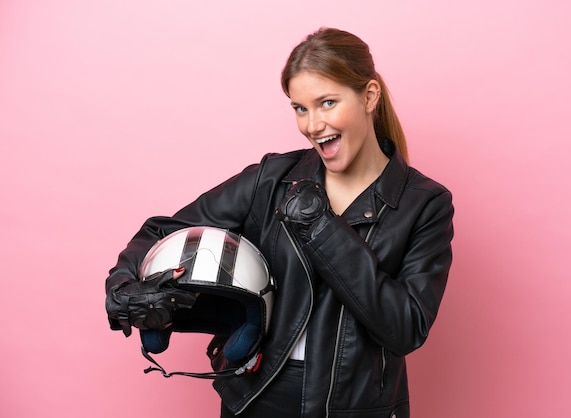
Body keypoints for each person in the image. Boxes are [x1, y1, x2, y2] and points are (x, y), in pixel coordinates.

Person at [105, 27, 454, 418]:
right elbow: (162, 230)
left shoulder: (424, 204)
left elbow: (404, 328)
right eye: (300, 108)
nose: (312, 125)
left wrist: (320, 227)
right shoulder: (272, 179)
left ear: (369, 96)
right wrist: (122, 284)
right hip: (258, 399)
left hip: (356, 408)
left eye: (326, 103)